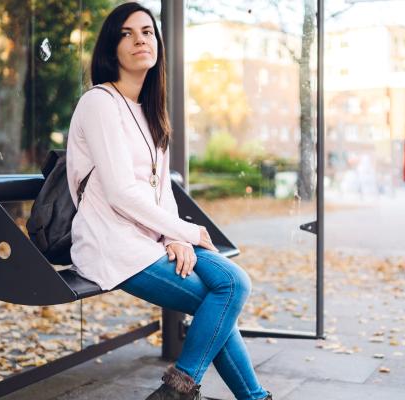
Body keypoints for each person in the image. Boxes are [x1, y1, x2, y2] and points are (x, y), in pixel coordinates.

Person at [65, 3, 272, 400]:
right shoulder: (99, 103)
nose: (140, 38)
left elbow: (160, 191)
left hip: (150, 241)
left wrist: (175, 239)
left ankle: (185, 391)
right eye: (127, 33)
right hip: (112, 244)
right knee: (222, 301)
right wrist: (188, 231)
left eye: (147, 31)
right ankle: (213, 393)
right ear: (112, 49)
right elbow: (121, 192)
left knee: (232, 282)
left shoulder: (149, 111)